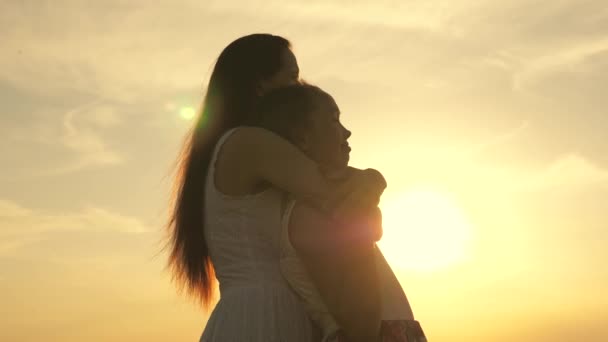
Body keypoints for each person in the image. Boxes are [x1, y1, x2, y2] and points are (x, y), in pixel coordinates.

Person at [166, 34, 386, 342]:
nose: (300, 88)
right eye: (292, 77)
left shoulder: (233, 146)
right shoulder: (248, 141)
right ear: (260, 85)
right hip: (268, 314)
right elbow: (336, 193)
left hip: (251, 310)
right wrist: (374, 179)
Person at [256, 83, 428, 342]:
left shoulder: (323, 207)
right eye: (334, 120)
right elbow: (361, 320)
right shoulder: (315, 214)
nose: (346, 132)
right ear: (302, 137)